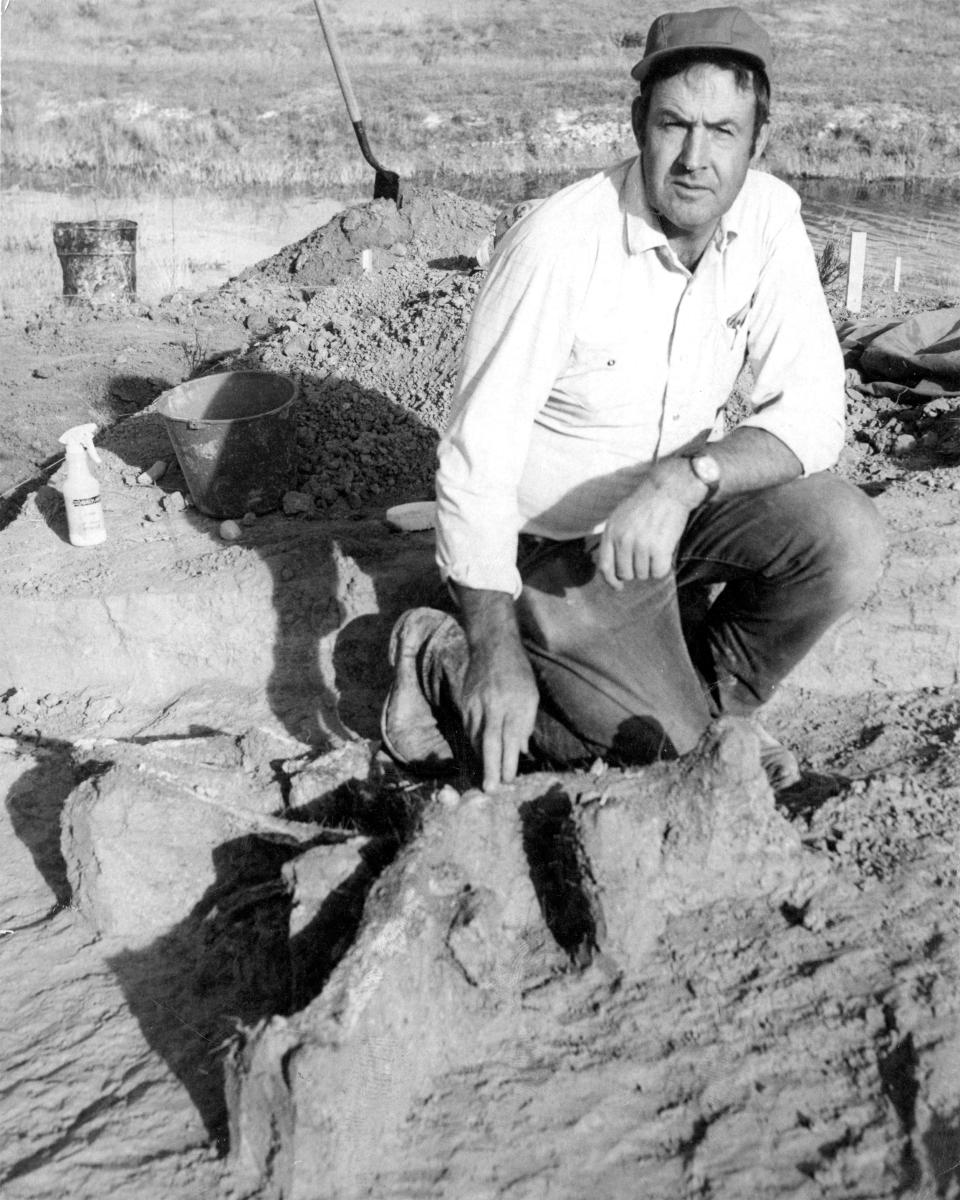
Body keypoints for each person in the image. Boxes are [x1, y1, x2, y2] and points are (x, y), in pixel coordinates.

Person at [380, 5, 885, 792]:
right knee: (647, 761)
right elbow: (474, 459)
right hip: (557, 551)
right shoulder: (559, 245)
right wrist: (489, 647)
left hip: (670, 518)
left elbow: (816, 410)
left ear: (760, 140)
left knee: (845, 536)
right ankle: (434, 657)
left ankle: (716, 716)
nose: (694, 157)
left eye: (722, 131)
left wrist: (687, 481)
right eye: (673, 124)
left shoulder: (770, 218)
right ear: (637, 124)